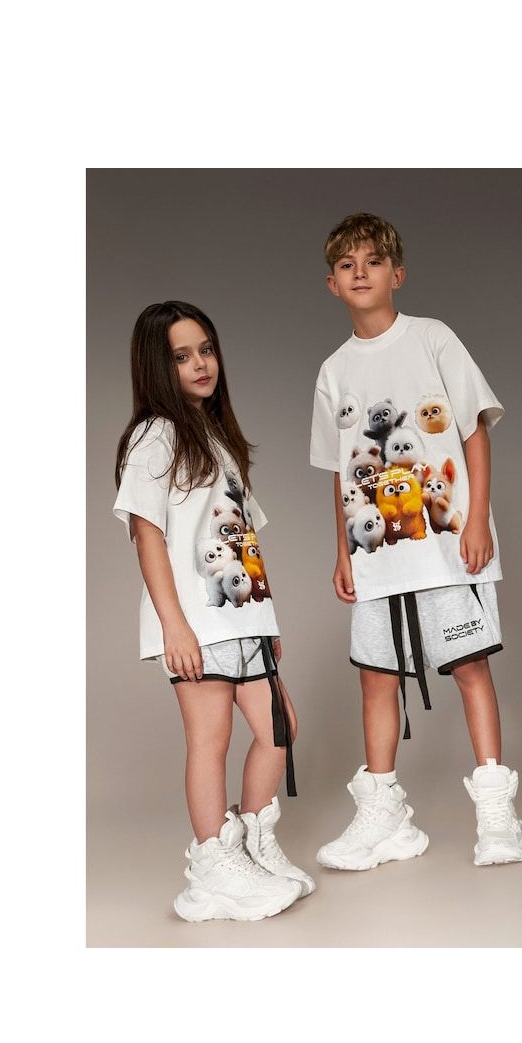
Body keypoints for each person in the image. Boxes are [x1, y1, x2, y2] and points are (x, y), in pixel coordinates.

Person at [310, 213, 522, 870]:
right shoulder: (332, 371)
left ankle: (496, 815)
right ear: (332, 284)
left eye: (373, 261)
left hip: (446, 546)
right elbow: (341, 469)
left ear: (397, 274)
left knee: (470, 668)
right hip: (377, 555)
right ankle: (384, 817)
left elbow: (474, 431)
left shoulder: (432, 338)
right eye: (347, 264)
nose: (360, 272)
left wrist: (477, 519)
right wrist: (343, 550)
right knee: (377, 679)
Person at [114, 300, 314, 921]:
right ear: (158, 367)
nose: (201, 364)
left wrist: (264, 617)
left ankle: (249, 844)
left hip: (242, 616)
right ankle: (212, 866)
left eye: (206, 349)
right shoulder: (155, 437)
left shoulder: (216, 437)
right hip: (197, 621)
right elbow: (147, 536)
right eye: (182, 356)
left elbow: (242, 538)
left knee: (279, 728)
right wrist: (173, 625)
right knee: (211, 738)